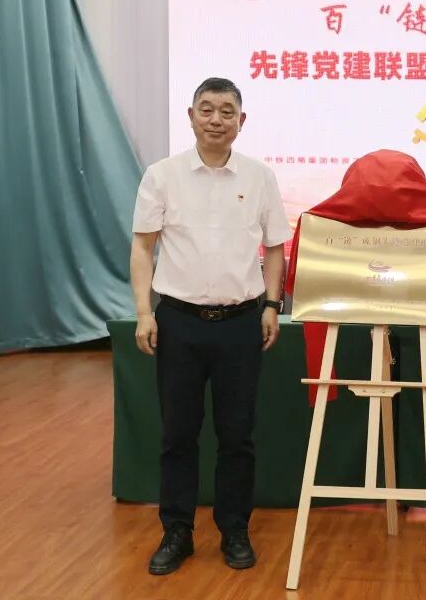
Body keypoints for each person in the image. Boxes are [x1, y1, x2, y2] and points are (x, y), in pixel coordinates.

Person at [130, 77, 292, 575]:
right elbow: (143, 247)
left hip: (241, 324)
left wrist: (272, 305)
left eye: (226, 111)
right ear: (191, 116)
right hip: (178, 322)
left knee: (237, 435)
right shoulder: (162, 175)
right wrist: (144, 311)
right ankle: (177, 532)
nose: (216, 120)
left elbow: (275, 248)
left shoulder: (259, 177)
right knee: (178, 434)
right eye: (207, 109)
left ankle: (234, 530)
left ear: (241, 121)